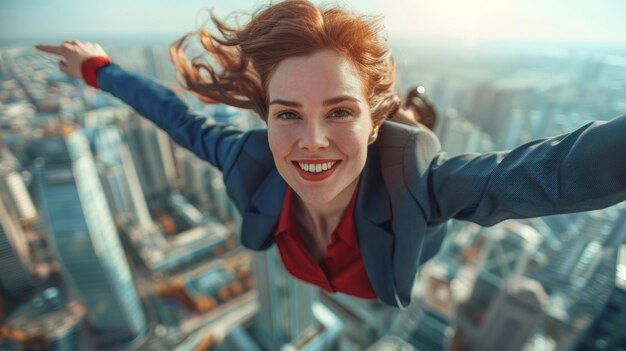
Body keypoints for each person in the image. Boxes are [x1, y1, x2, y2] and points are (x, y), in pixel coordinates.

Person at [36, 0, 626, 309]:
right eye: (287, 113)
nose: (310, 140)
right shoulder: (248, 159)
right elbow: (176, 117)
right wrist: (98, 69)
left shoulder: (422, 184)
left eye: (340, 111)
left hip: (399, 173)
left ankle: (406, 113)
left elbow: (554, 172)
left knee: (410, 132)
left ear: (367, 123)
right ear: (265, 116)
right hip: (377, 148)